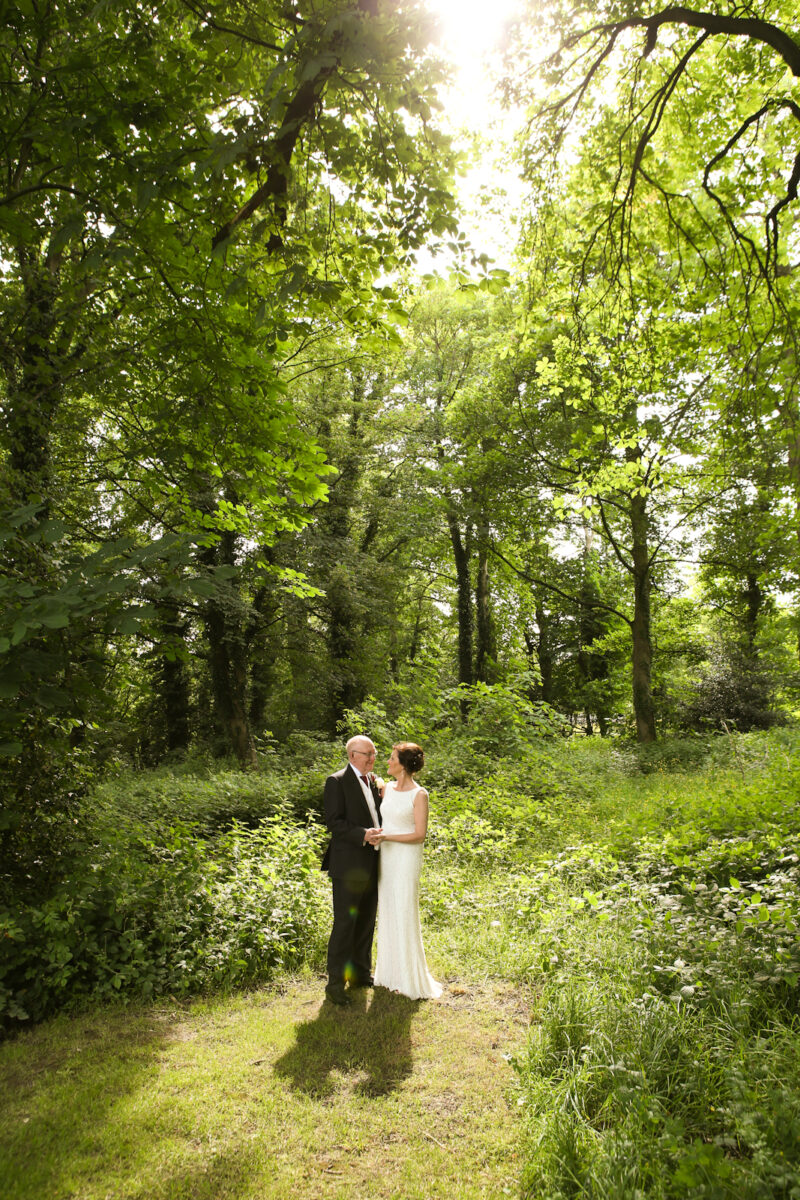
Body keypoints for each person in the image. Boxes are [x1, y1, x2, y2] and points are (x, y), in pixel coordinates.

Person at [373, 742, 441, 1000]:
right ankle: (389, 974)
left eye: (392, 759)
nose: (388, 762)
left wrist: (387, 836)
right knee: (388, 908)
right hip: (387, 857)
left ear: (403, 764)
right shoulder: (386, 788)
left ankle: (410, 978)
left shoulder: (419, 794)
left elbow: (419, 834)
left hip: (405, 857)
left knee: (403, 908)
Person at [321, 734, 383, 1006]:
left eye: (374, 754)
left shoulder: (373, 781)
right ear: (352, 755)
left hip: (372, 863)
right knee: (345, 925)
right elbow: (334, 823)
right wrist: (363, 834)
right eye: (367, 754)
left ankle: (360, 973)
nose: (372, 758)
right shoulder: (336, 782)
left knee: (367, 921)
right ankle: (335, 983)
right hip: (347, 866)